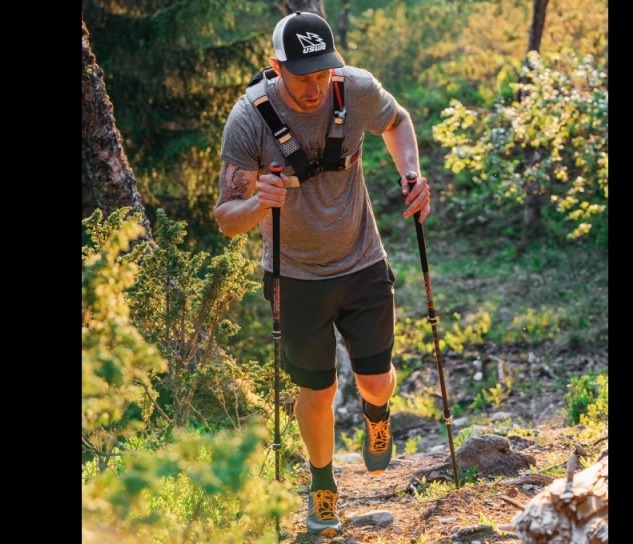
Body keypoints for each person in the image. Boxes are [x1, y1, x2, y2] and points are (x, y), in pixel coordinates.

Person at [213, 10, 431, 537]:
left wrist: (410, 173)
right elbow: (226, 217)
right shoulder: (249, 119)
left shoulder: (354, 89)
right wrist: (259, 204)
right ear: (275, 66)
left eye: (321, 74)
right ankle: (323, 485)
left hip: (362, 260)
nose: (313, 88)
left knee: (375, 382)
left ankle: (377, 419)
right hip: (295, 277)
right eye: (301, 75)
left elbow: (397, 120)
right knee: (318, 390)